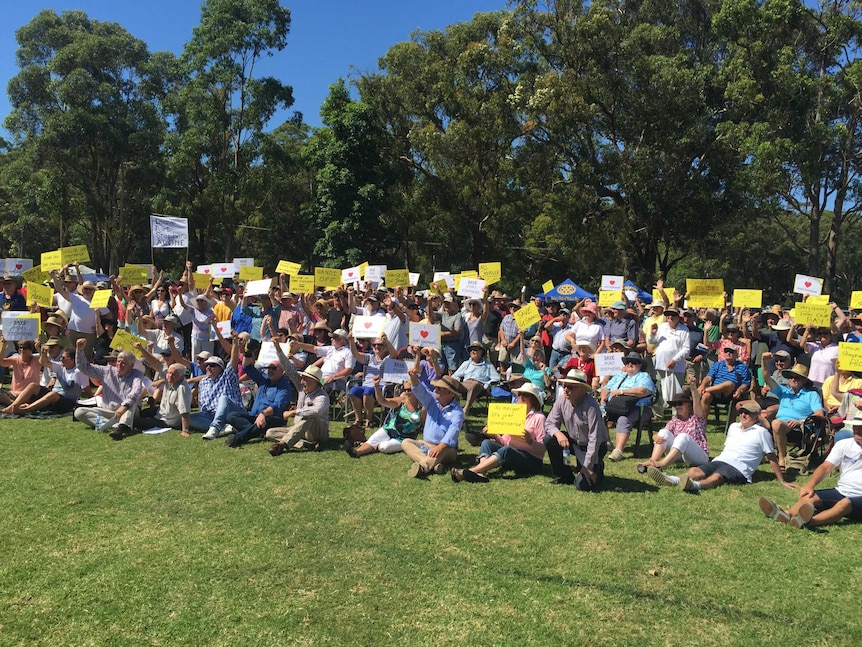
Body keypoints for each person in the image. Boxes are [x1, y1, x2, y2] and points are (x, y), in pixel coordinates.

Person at [648, 400, 792, 492]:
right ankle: (673, 480)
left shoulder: (762, 432)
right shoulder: (734, 427)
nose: (743, 415)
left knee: (718, 477)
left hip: (739, 468)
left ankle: (695, 486)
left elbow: (771, 457)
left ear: (756, 416)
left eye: (747, 413)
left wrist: (782, 480)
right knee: (695, 470)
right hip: (721, 459)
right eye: (741, 412)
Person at [759, 412, 862, 529]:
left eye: (860, 426)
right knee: (810, 497)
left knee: (845, 503)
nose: (857, 429)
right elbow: (826, 467)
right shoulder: (844, 444)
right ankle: (786, 514)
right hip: (842, 491)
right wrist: (810, 485)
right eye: (855, 426)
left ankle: (808, 521)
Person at [451, 382, 547, 483]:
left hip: (531, 460)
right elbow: (505, 441)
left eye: (525, 395)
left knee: (507, 450)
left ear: (533, 399)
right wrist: (494, 435)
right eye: (519, 395)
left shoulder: (539, 418)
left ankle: (471, 471)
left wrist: (530, 441)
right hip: (512, 454)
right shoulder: (515, 415)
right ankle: (481, 473)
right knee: (486, 443)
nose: (521, 398)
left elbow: (542, 449)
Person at [543, 368, 610, 491]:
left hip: (594, 446)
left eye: (570, 387)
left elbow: (594, 438)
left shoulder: (591, 406)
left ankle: (597, 467)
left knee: (582, 485)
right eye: (564, 385)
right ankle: (563, 476)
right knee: (549, 439)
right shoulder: (561, 400)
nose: (565, 389)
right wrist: (558, 433)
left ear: (582, 390)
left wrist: (587, 465)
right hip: (574, 442)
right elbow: (549, 423)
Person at [72, 338, 144, 440]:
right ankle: (114, 426)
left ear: (131, 365)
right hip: (109, 411)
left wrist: (124, 406)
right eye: (118, 361)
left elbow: (136, 392)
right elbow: (84, 367)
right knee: (79, 412)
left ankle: (121, 428)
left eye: (123, 363)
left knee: (132, 404)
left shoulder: (137, 374)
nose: (119, 365)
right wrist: (79, 350)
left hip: (128, 412)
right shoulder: (107, 371)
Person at [222, 350, 293, 448]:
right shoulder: (263, 379)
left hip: (273, 419)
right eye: (269, 368)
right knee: (231, 416)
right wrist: (247, 354)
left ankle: (238, 438)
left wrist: (263, 414)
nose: (270, 370)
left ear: (282, 371)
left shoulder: (284, 387)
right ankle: (258, 432)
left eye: (273, 368)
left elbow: (277, 406)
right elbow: (247, 368)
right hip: (254, 416)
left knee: (262, 423)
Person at [401, 373, 464, 478]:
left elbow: (453, 431)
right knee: (406, 442)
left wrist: (441, 446)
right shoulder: (432, 400)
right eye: (436, 387)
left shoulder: (458, 412)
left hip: (447, 448)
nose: (436, 390)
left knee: (440, 452)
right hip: (426, 444)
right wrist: (414, 378)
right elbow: (420, 391)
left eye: (439, 388)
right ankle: (434, 465)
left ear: (450, 393)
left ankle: (422, 467)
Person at [763, 363, 825, 470]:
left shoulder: (811, 394)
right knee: (755, 417)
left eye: (797, 378)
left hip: (798, 429)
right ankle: (755, 455)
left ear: (804, 380)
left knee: (776, 423)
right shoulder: (784, 391)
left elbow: (819, 413)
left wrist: (801, 421)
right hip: (779, 424)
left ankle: (781, 458)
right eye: (791, 377)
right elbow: (766, 377)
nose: (793, 379)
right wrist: (764, 361)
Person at [345, 376, 424, 457]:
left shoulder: (423, 409)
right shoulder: (402, 401)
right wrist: (376, 386)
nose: (407, 392)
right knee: (371, 441)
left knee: (384, 447)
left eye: (409, 390)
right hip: (390, 428)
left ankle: (371, 446)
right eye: (405, 390)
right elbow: (382, 401)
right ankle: (356, 452)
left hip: (404, 439)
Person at [638, 389, 709, 478]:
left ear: (689, 405)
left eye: (680, 404)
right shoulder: (675, 420)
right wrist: (655, 436)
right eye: (675, 405)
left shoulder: (697, 417)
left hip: (699, 457)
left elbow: (696, 401)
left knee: (683, 436)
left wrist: (693, 386)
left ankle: (663, 465)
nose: (677, 407)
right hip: (680, 457)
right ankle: (653, 461)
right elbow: (664, 434)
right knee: (663, 432)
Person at [265, 364, 331, 456]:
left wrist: (294, 412)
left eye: (305, 379)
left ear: (314, 382)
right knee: (270, 433)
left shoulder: (322, 396)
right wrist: (279, 350)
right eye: (302, 378)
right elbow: (288, 369)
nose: (301, 382)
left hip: (318, 433)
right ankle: (307, 445)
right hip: (300, 429)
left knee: (310, 415)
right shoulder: (302, 390)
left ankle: (282, 445)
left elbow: (316, 411)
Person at [3, 346, 90, 415]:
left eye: (63, 358)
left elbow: (87, 391)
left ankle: (25, 410)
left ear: (72, 361)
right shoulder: (60, 367)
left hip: (67, 402)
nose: (61, 360)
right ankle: (13, 406)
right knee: (33, 385)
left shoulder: (79, 373)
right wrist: (43, 352)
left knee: (53, 394)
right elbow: (45, 362)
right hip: (54, 396)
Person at [601, 352, 655, 462]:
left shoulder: (643, 376)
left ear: (640, 365)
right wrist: (603, 398)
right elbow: (606, 388)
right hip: (615, 406)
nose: (630, 364)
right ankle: (606, 442)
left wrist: (621, 391)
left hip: (638, 408)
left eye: (633, 362)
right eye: (627, 362)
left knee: (623, 419)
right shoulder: (619, 376)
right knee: (598, 413)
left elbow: (643, 391)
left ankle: (618, 451)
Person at [647, 307, 690, 408]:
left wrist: (675, 360)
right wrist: (652, 333)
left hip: (677, 366)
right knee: (659, 390)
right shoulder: (662, 327)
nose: (670, 317)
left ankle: (676, 415)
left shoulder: (684, 330)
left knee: (676, 392)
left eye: (673, 315)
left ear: (678, 317)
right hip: (660, 364)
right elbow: (653, 341)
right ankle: (657, 414)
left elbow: (686, 349)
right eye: (668, 315)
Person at [136, 363, 192, 435]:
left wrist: (185, 430)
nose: (170, 376)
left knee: (138, 422)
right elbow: (156, 364)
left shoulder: (182, 389)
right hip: (161, 411)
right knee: (142, 413)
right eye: (169, 373)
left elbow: (184, 411)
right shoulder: (169, 381)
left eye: (174, 375)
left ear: (182, 376)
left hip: (168, 421)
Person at [347, 334, 388, 427]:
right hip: (366, 384)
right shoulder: (369, 357)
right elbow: (355, 354)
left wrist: (387, 341)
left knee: (367, 391)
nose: (377, 347)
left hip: (379, 386)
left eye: (380, 345)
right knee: (353, 391)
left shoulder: (387, 359)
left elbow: (394, 354)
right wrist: (351, 341)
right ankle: (359, 419)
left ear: (385, 347)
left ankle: (369, 420)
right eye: (375, 345)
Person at [451, 341, 501, 416]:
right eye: (471, 350)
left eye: (475, 350)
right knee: (450, 383)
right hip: (465, 384)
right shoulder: (466, 363)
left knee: (475, 384)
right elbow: (455, 375)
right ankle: (454, 408)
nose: (473, 352)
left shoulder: (488, 365)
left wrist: (487, 384)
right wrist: (457, 382)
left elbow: (496, 378)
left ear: (481, 352)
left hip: (480, 386)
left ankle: (466, 409)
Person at [698, 346, 751, 410]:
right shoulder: (717, 364)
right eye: (726, 351)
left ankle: (705, 390)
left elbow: (745, 383)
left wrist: (740, 389)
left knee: (729, 384)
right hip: (714, 392)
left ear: (736, 355)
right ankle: (702, 420)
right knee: (706, 397)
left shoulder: (742, 367)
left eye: (731, 352)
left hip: (730, 394)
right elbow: (708, 378)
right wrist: (702, 385)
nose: (728, 353)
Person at [0, 339, 41, 411]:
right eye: (20, 348)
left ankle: (11, 407)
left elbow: (44, 360)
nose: (21, 350)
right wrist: (4, 346)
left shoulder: (36, 360)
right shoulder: (15, 360)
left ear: (30, 349)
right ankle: (17, 404)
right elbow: (1, 362)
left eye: (24, 348)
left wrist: (38, 347)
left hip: (29, 394)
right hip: (14, 394)